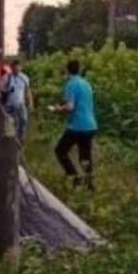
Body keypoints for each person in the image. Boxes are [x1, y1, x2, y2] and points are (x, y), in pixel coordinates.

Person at [49, 59, 99, 189]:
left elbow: (70, 107)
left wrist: (57, 109)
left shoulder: (71, 84)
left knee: (60, 151)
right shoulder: (87, 83)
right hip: (91, 125)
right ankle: (89, 184)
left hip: (77, 125)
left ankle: (74, 176)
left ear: (67, 70)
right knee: (85, 156)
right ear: (80, 69)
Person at [1, 60, 33, 144]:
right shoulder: (6, 77)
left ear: (21, 67)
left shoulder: (24, 78)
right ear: (11, 68)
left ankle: (20, 137)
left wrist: (30, 102)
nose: (16, 69)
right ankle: (12, 139)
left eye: (18, 67)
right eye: (14, 68)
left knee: (23, 120)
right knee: (10, 122)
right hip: (9, 104)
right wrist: (8, 91)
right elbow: (1, 91)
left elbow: (27, 90)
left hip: (20, 103)